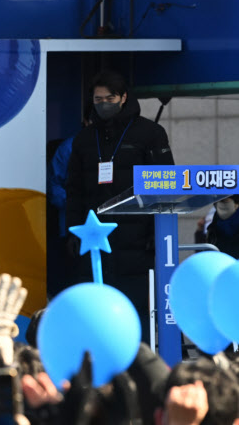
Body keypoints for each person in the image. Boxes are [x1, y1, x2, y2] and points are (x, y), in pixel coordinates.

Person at [65, 70, 174, 343]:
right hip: (94, 241)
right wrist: (72, 230)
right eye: (98, 99)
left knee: (137, 314)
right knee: (99, 314)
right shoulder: (84, 139)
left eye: (109, 98)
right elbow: (74, 191)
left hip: (138, 244)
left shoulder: (150, 133)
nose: (103, 104)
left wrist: (155, 233)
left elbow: (166, 186)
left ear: (124, 97)